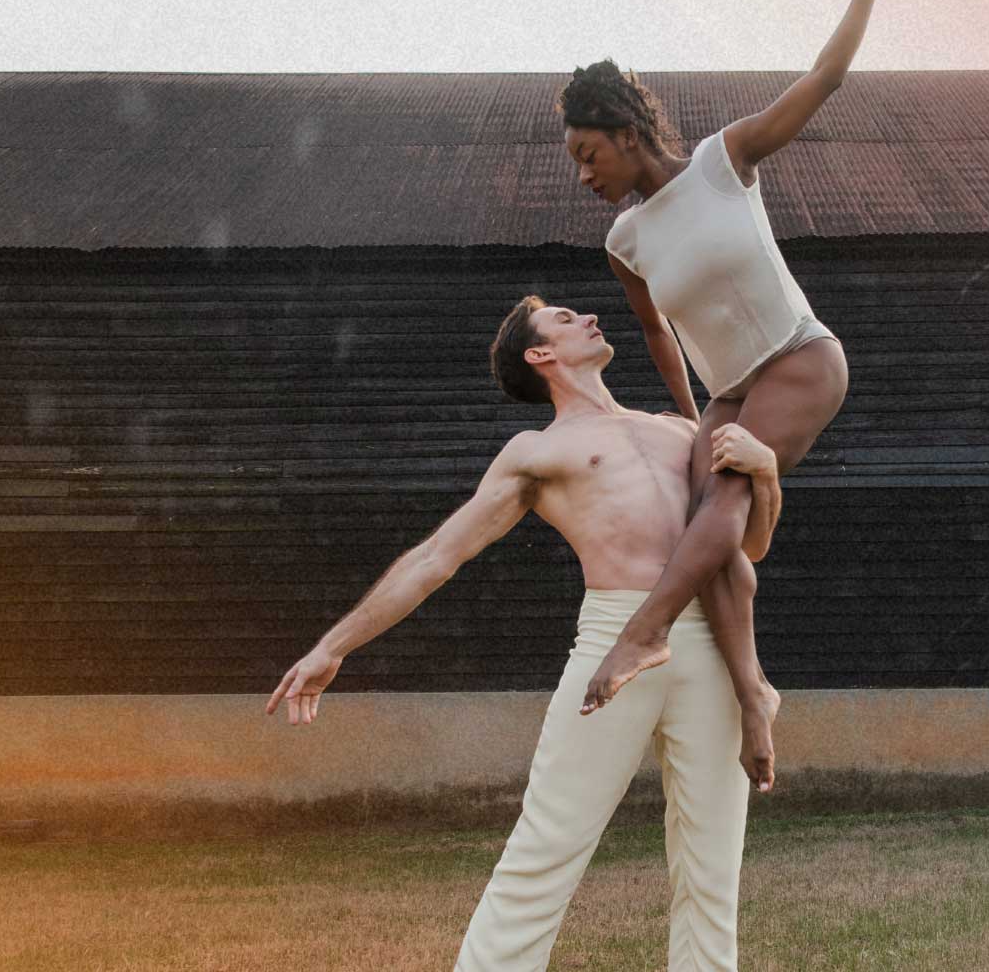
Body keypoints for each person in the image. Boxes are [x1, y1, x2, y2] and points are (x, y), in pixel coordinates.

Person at [267, 296, 782, 972]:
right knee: (545, 849)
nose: (588, 318)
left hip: (711, 642)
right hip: (613, 638)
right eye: (565, 319)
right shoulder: (537, 452)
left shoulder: (680, 429)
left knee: (713, 870)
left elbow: (750, 545)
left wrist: (765, 470)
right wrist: (333, 645)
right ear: (541, 356)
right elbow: (434, 558)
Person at [561, 0, 910, 790]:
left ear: (630, 134)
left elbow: (825, 78)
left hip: (799, 358)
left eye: (590, 152)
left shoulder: (726, 162)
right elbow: (656, 333)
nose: (584, 173)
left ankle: (646, 632)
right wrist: (694, 418)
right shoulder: (624, 242)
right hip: (729, 395)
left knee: (718, 504)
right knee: (703, 519)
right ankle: (756, 694)